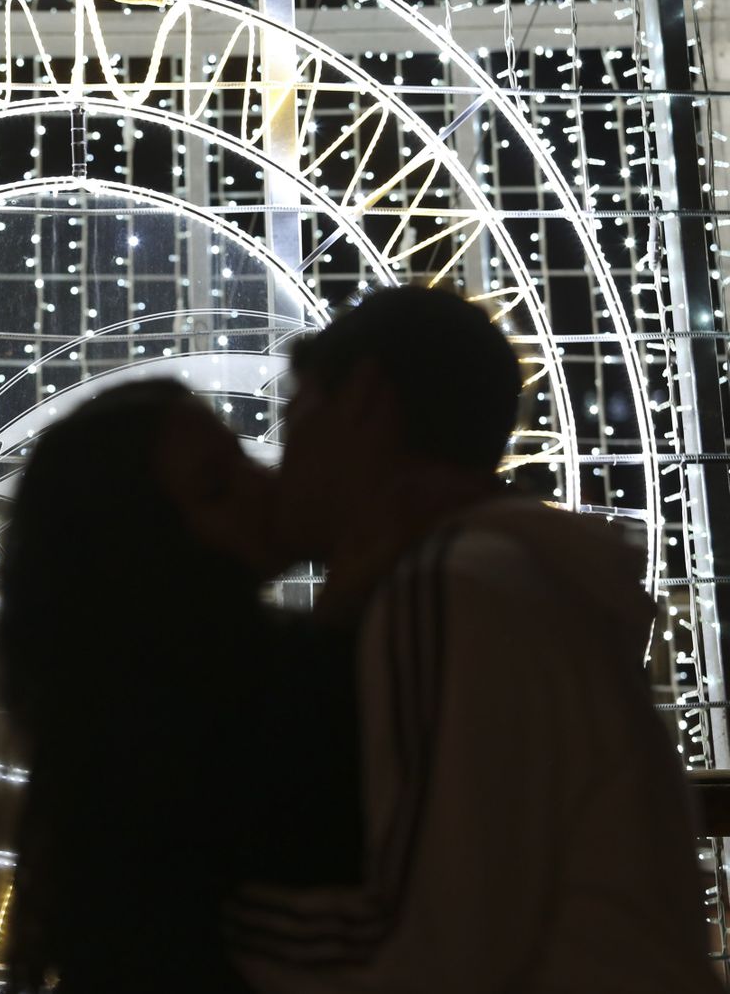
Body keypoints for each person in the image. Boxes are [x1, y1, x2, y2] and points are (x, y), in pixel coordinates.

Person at [227, 285, 721, 992]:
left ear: (365, 399)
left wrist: (189, 918)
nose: (282, 457)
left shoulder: (451, 585)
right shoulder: (526, 577)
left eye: (292, 415)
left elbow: (431, 944)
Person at [0, 378, 277, 994]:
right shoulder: (270, 704)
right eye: (218, 486)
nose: (264, 486)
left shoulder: (101, 731)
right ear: (147, 545)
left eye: (242, 459)